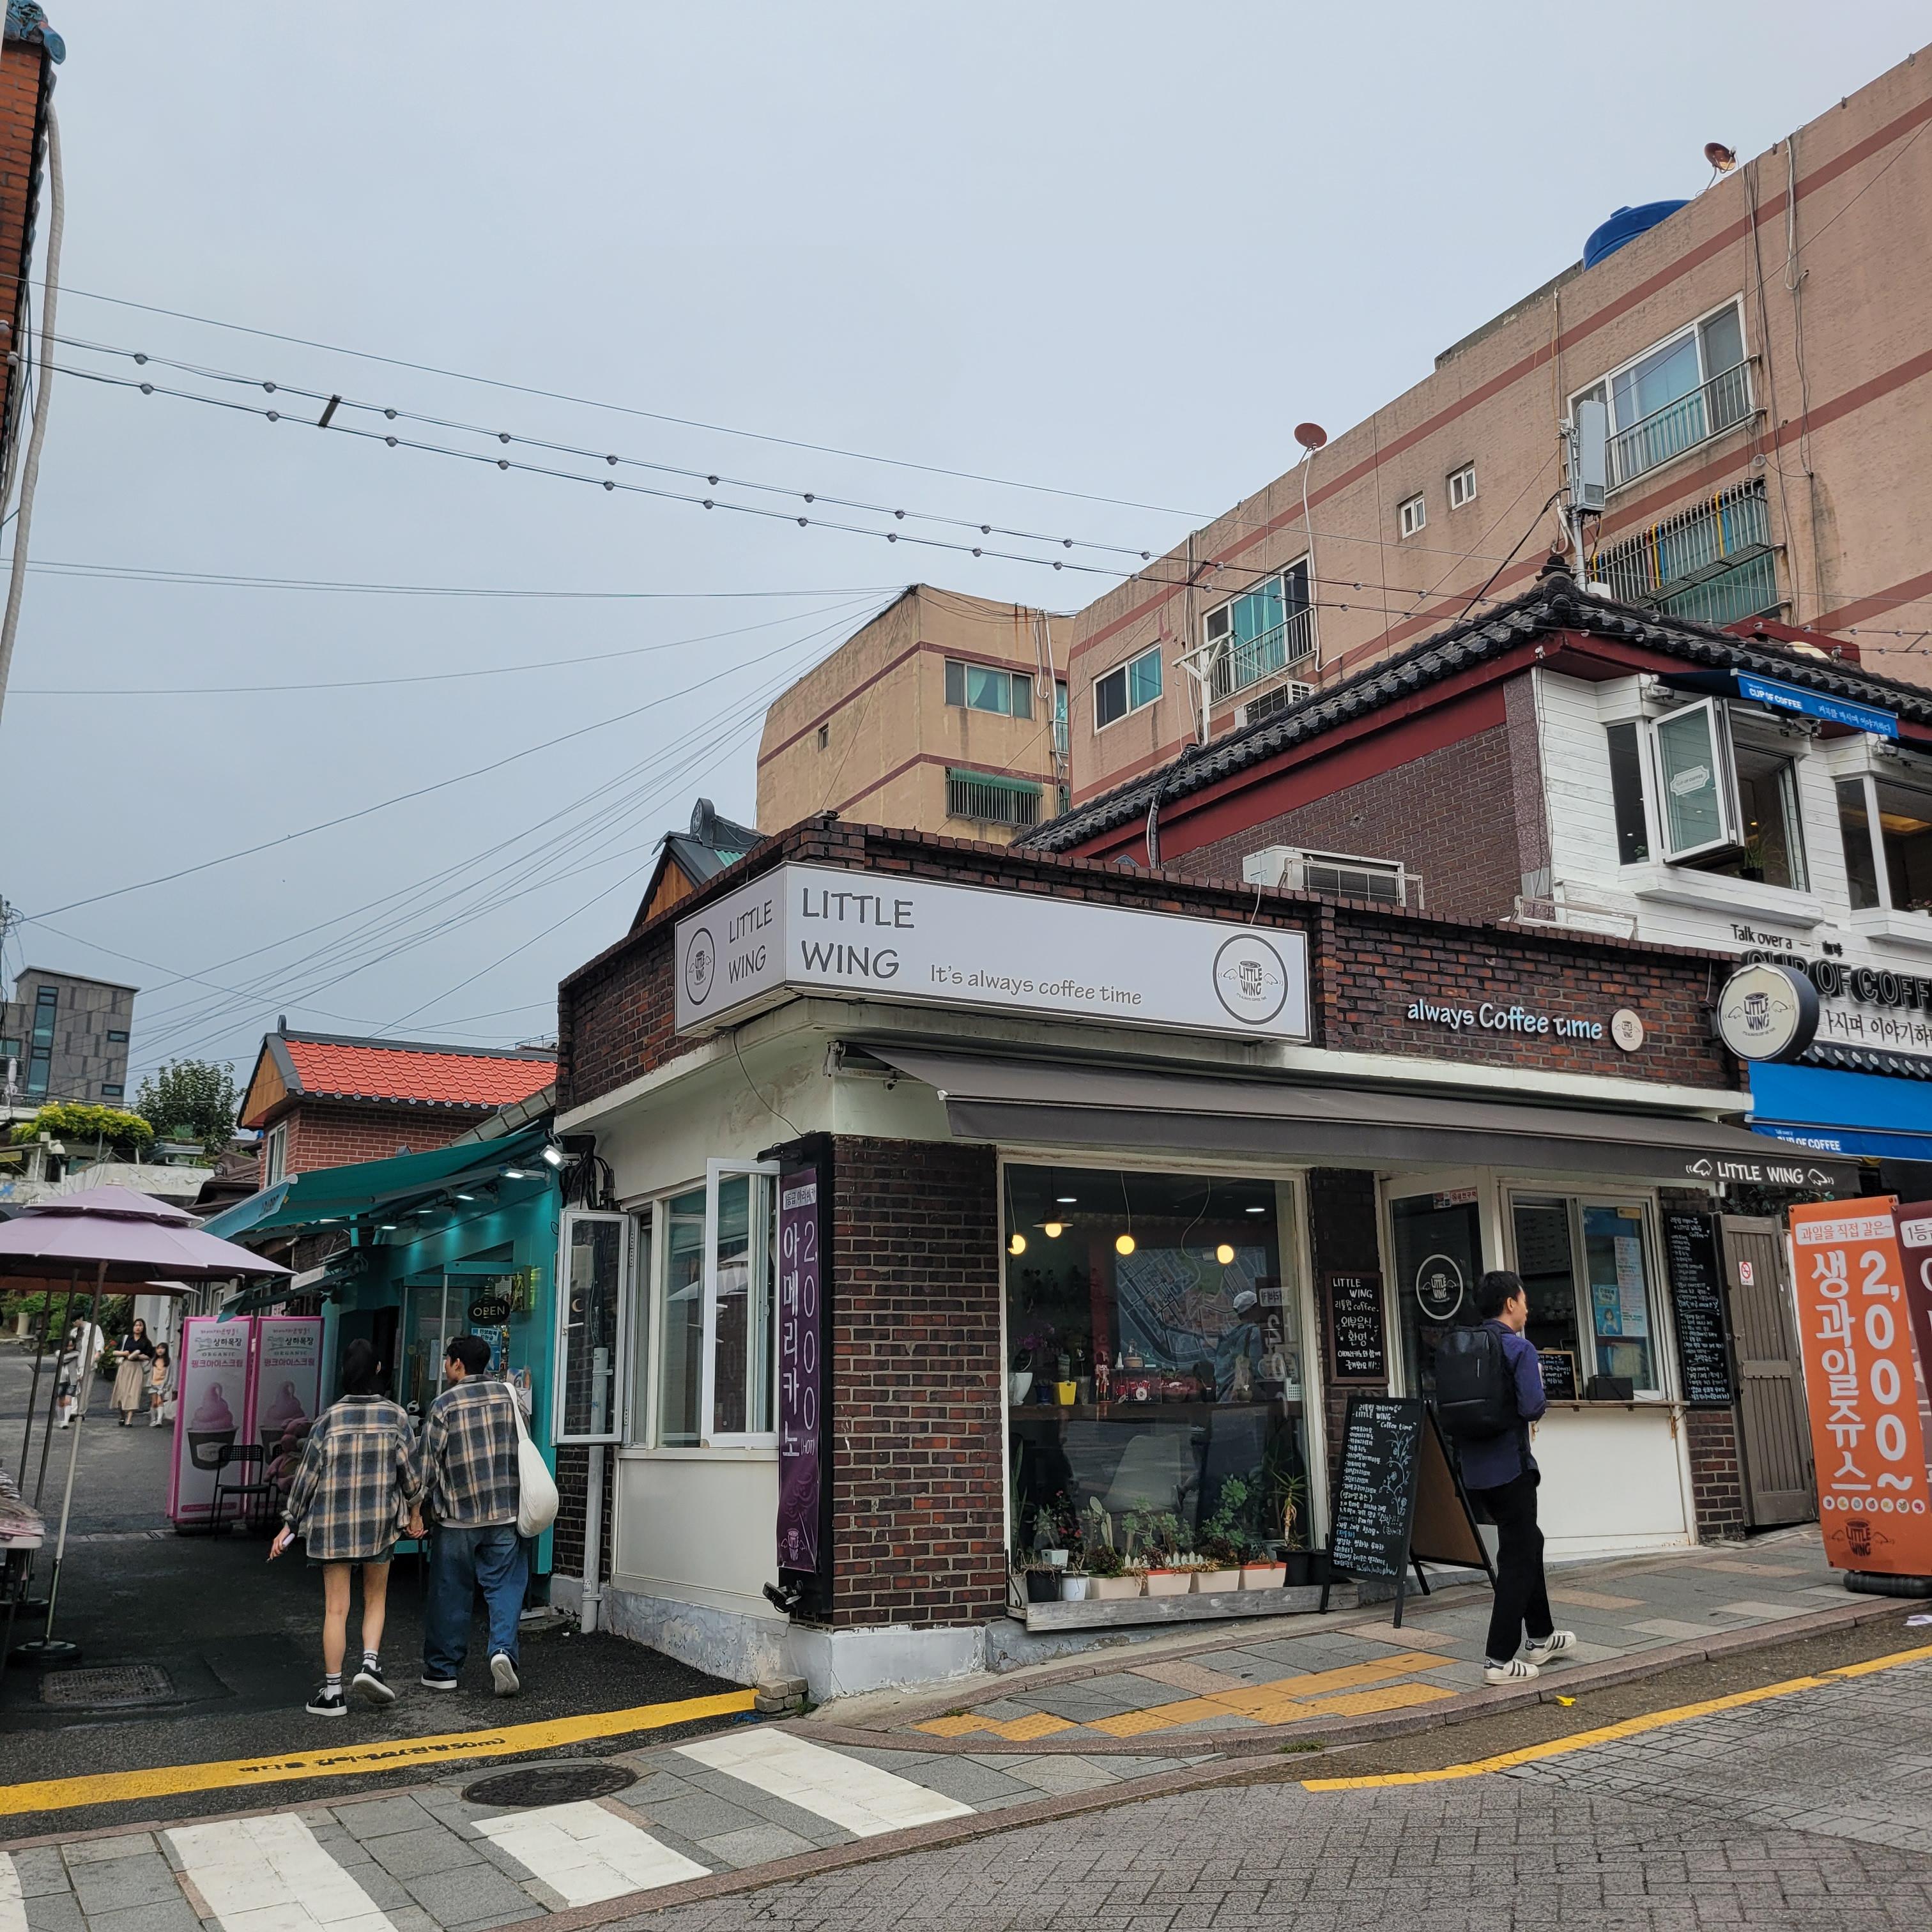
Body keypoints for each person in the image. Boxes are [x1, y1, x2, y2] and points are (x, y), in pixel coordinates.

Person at [270, 1337, 420, 1717]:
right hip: (379, 1523)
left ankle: (333, 1693)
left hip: (333, 1527)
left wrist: (289, 1525)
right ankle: (370, 1664)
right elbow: (412, 1478)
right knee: (376, 1598)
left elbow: (306, 1480)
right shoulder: (395, 1417)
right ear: (378, 1371)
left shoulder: (328, 1420)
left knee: (336, 1609)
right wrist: (416, 1510)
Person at [1456, 1271, 1575, 1685]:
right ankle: (1499, 1659)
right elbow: (1532, 1406)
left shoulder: (1466, 1346)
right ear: (1510, 1304)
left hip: (1474, 1473)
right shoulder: (1519, 1348)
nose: (1528, 1308)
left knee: (1527, 1543)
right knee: (1517, 1558)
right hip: (1511, 1468)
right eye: (1524, 1301)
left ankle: (1541, 1636)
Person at [413, 1334, 526, 1697]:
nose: (446, 1366)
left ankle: (443, 1670)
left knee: (451, 1591)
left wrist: (417, 1508)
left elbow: (427, 1466)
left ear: (458, 1364)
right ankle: (503, 1650)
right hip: (505, 1512)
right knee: (504, 1586)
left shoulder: (444, 1405)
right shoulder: (511, 1398)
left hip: (456, 1516)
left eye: (447, 1360)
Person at [111, 1318, 157, 1426]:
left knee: (133, 1392)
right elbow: (115, 1352)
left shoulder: (146, 1342)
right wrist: (125, 1354)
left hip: (137, 1367)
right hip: (125, 1366)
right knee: (122, 1392)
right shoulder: (126, 1339)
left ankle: (129, 1419)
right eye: (136, 1325)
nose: (138, 1328)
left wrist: (138, 1356)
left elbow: (149, 1356)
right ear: (133, 1327)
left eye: (140, 1326)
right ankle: (122, 1416)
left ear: (144, 1328)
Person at [148, 1342, 174, 1427]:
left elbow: (170, 1374)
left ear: (166, 1350)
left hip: (163, 1385)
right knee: (154, 1403)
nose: (160, 1350)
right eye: (158, 1348)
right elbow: (150, 1372)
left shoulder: (168, 1361)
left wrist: (167, 1386)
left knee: (160, 1401)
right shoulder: (154, 1361)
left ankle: (159, 1421)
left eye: (162, 1348)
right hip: (153, 1384)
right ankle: (153, 1420)